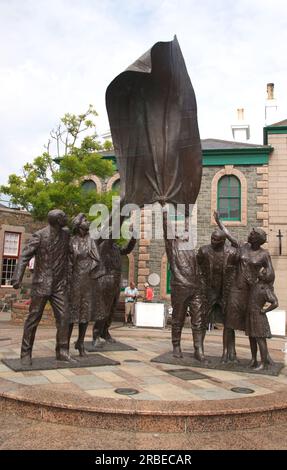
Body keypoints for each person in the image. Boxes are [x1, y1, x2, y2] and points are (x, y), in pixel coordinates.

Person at [12, 209, 75, 365]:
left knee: (64, 317)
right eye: (63, 216)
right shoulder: (39, 236)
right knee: (33, 319)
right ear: (56, 220)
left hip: (59, 286)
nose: (66, 218)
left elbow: (70, 255)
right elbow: (24, 257)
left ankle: (62, 351)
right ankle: (25, 353)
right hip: (41, 284)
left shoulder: (66, 234)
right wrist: (17, 277)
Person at [214, 211, 276, 365]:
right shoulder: (242, 246)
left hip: (251, 293)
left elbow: (271, 274)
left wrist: (265, 287)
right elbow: (229, 235)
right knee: (229, 323)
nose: (250, 234)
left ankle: (260, 358)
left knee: (252, 327)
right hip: (236, 290)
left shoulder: (264, 254)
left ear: (258, 239)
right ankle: (226, 353)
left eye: (253, 234)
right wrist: (219, 222)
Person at [163, 207, 207, 361]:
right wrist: (164, 211)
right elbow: (167, 228)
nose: (185, 234)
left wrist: (188, 214)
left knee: (198, 320)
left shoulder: (191, 248)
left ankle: (198, 350)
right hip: (180, 287)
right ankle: (176, 346)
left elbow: (189, 227)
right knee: (178, 318)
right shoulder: (172, 247)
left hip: (195, 289)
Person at [92, 226, 137, 345]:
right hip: (106, 280)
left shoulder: (115, 247)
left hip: (116, 281)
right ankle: (96, 335)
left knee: (111, 309)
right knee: (103, 309)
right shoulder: (103, 246)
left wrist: (134, 237)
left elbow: (127, 250)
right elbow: (110, 237)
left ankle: (105, 332)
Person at [68, 213, 99, 357]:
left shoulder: (90, 240)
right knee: (71, 314)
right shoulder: (71, 241)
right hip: (73, 281)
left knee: (85, 314)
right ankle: (64, 345)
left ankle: (80, 343)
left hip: (87, 281)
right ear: (78, 224)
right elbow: (67, 263)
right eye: (85, 220)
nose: (88, 221)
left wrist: (89, 268)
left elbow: (97, 259)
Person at [197, 230, 237, 331]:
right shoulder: (204, 251)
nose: (213, 241)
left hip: (225, 291)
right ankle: (199, 345)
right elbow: (196, 266)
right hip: (208, 290)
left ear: (223, 241)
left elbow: (238, 269)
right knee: (202, 319)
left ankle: (227, 347)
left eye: (216, 240)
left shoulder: (232, 252)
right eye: (212, 238)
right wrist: (201, 282)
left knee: (228, 322)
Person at [246, 267, 278, 370]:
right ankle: (253, 359)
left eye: (262, 272)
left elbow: (275, 303)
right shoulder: (255, 285)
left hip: (258, 316)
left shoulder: (265, 289)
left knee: (260, 339)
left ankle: (263, 363)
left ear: (265, 277)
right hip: (250, 315)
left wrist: (265, 310)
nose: (259, 272)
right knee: (251, 338)